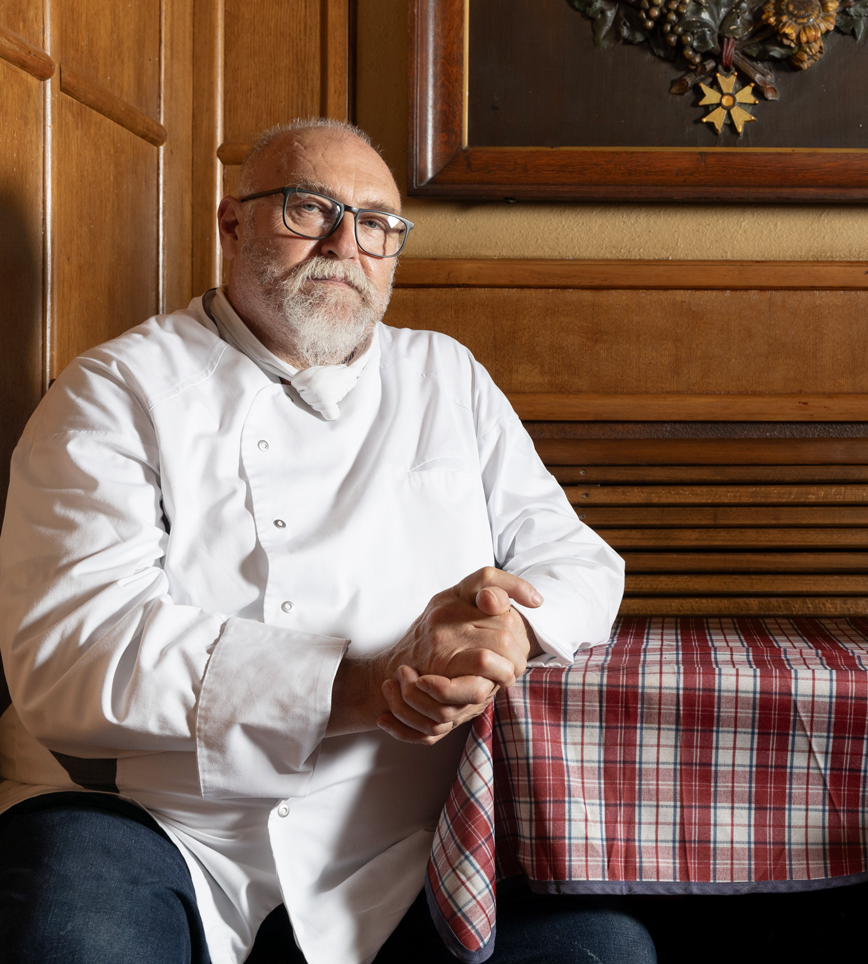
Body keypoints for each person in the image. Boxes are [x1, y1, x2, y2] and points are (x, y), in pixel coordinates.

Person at [0, 120, 657, 964]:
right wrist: (367, 686)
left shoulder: (445, 376)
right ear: (231, 223)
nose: (347, 244)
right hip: (168, 829)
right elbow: (68, 654)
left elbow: (575, 559)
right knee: (75, 923)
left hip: (406, 844)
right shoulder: (118, 390)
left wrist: (507, 628)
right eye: (310, 208)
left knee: (605, 949)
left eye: (377, 223)